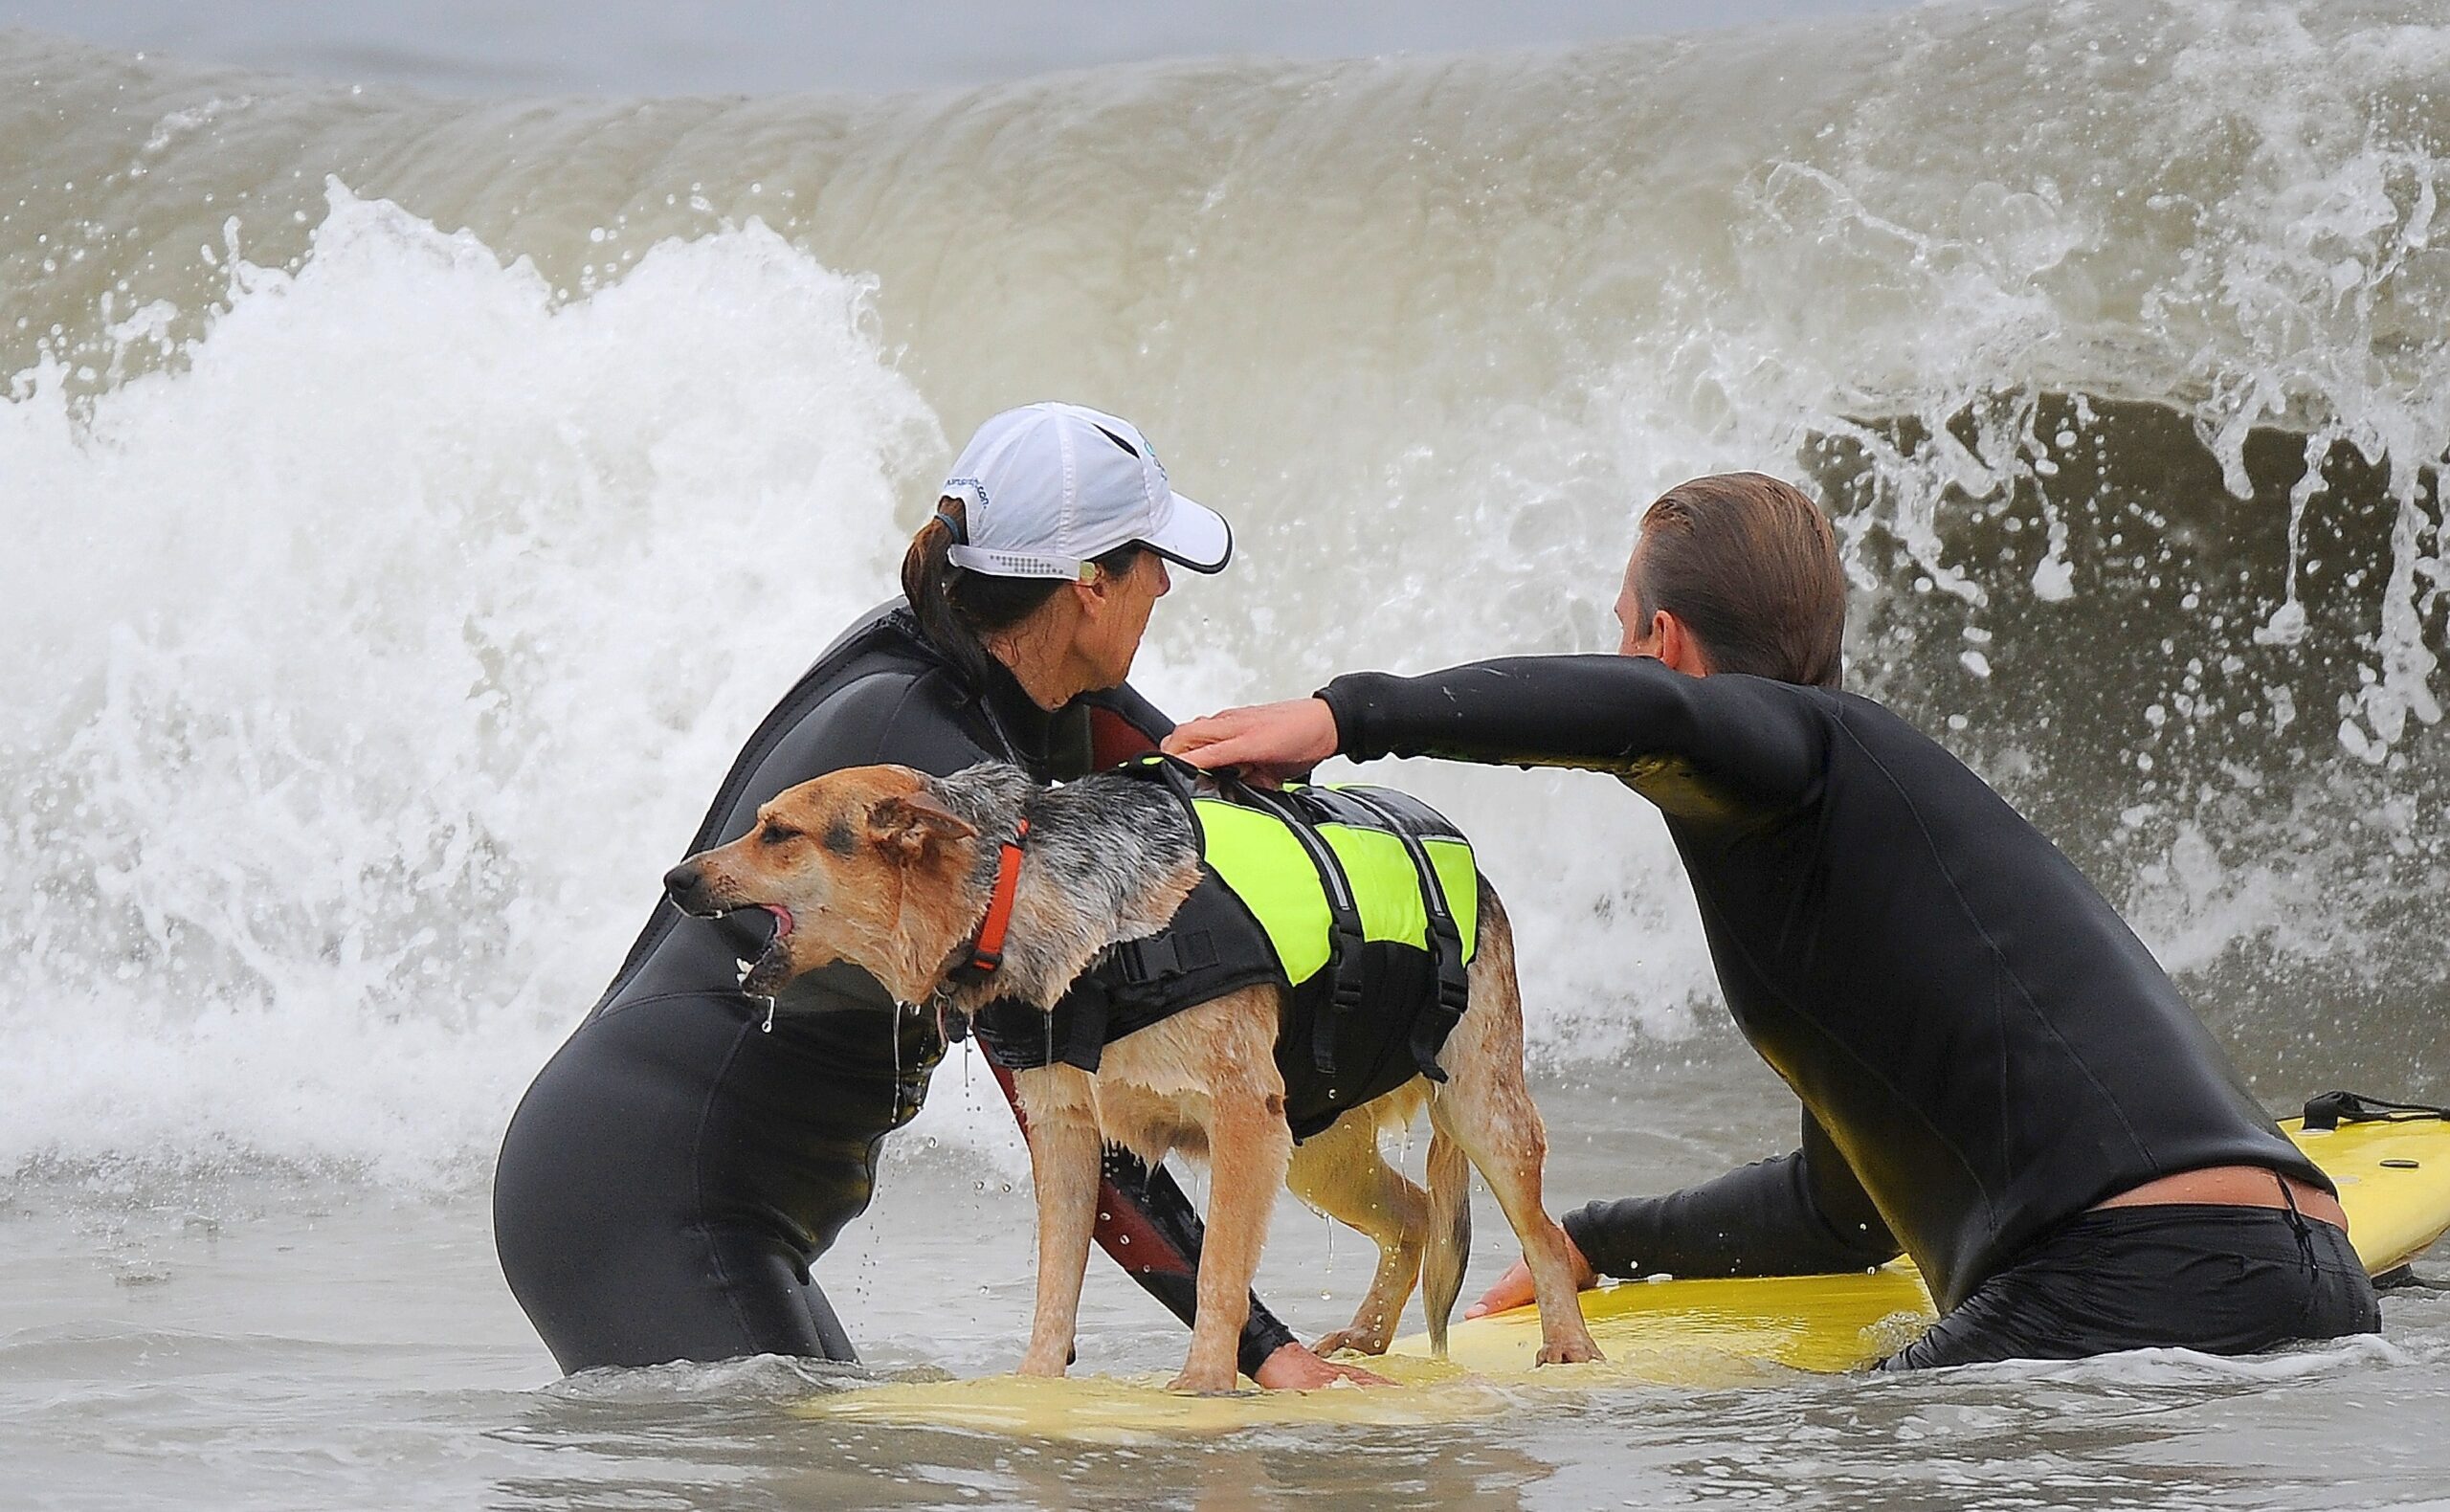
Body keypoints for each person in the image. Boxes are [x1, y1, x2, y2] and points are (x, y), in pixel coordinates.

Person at [1161, 472, 2381, 1367]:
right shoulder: (1845, 834)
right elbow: (1837, 1207)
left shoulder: (1796, 743)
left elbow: (1661, 721)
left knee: (1804, 1465)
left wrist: (1345, 715)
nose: (1619, 662)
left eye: (1622, 630)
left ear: (1663, 644)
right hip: (2303, 1269)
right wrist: (1597, 1240)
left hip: (2128, 1279)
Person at [494, 402, 1372, 1389]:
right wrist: (1264, 1348)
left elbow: (1221, 812)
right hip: (637, 1187)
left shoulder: (1015, 679)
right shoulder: (923, 780)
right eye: (1152, 560)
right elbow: (1069, 1098)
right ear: (1086, 583)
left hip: (702, 1191)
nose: (1166, 583)